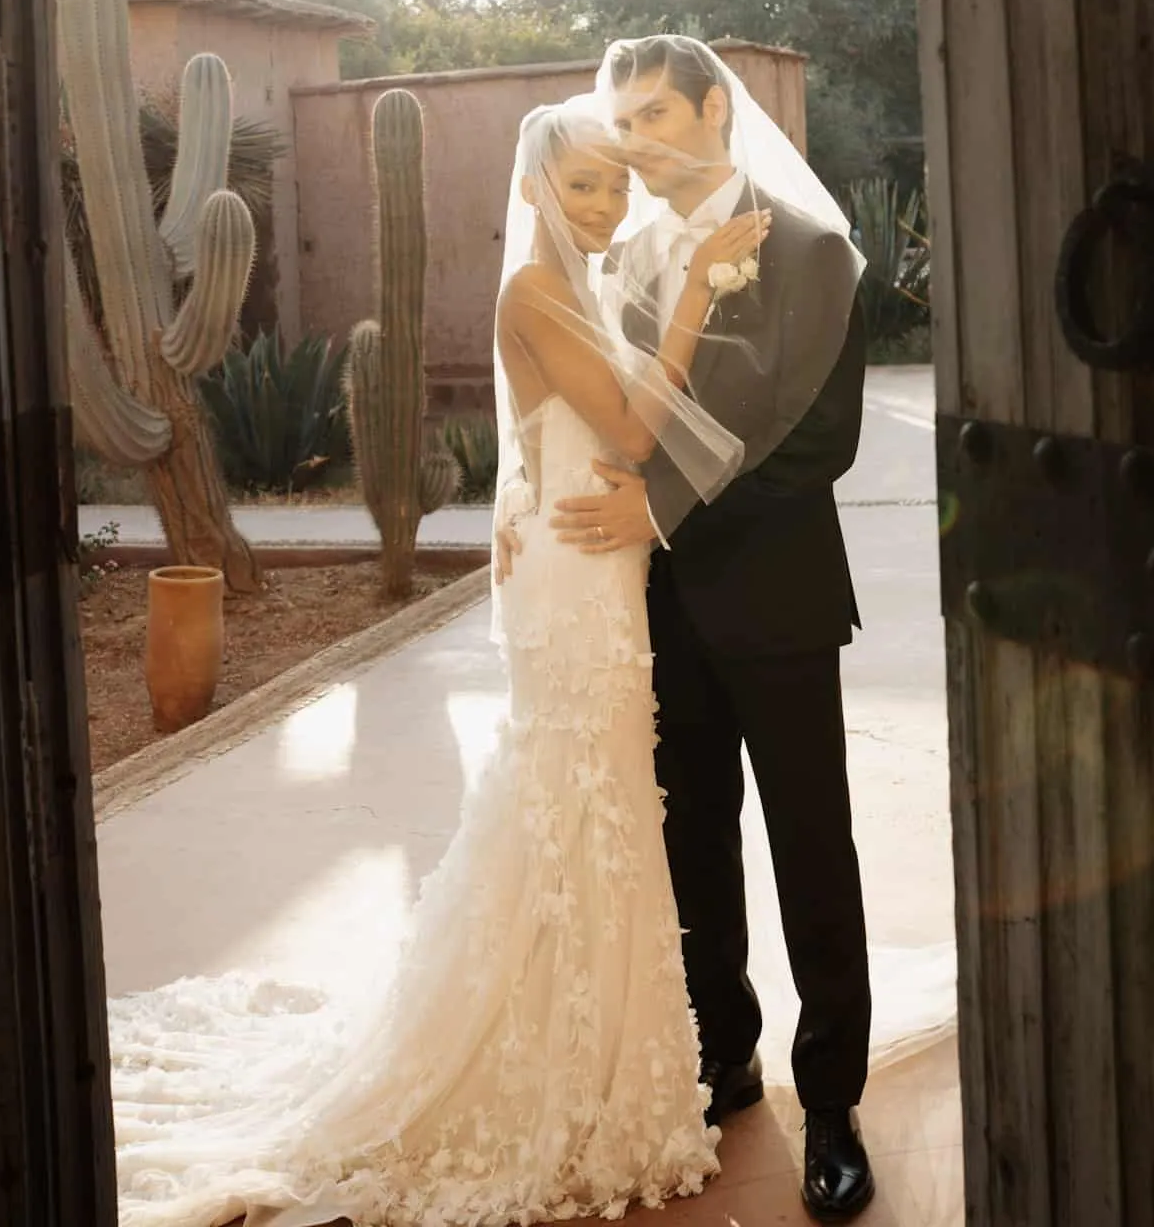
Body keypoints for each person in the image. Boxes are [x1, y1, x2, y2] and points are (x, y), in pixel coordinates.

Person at [109, 97, 768, 1227]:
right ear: (534, 192)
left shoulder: (582, 285)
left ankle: (605, 1058)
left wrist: (528, 491)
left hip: (584, 558)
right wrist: (699, 293)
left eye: (616, 184)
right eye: (583, 187)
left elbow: (557, 428)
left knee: (602, 801)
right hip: (577, 581)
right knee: (582, 799)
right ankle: (560, 1069)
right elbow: (637, 427)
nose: (606, 204)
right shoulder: (534, 290)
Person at [542, 38, 878, 1224]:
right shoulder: (625, 254)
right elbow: (615, 416)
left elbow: (820, 439)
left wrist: (658, 500)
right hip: (657, 609)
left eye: (656, 112)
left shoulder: (813, 247)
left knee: (812, 850)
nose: (635, 137)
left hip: (778, 601)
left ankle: (832, 1102)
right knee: (691, 848)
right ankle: (723, 1057)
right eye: (620, 116)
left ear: (715, 109)